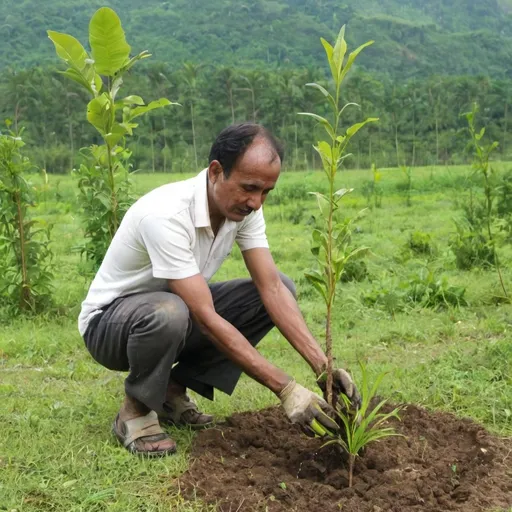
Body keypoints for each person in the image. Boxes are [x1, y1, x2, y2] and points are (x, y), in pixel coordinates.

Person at [79, 123, 361, 456]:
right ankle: (136, 411)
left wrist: (322, 367)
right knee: (171, 311)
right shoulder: (166, 214)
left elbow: (270, 287)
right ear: (216, 172)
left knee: (281, 286)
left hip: (178, 314)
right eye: (249, 187)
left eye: (266, 192)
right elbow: (205, 317)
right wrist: (285, 389)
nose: (256, 202)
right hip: (111, 326)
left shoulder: (244, 210)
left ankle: (171, 392)